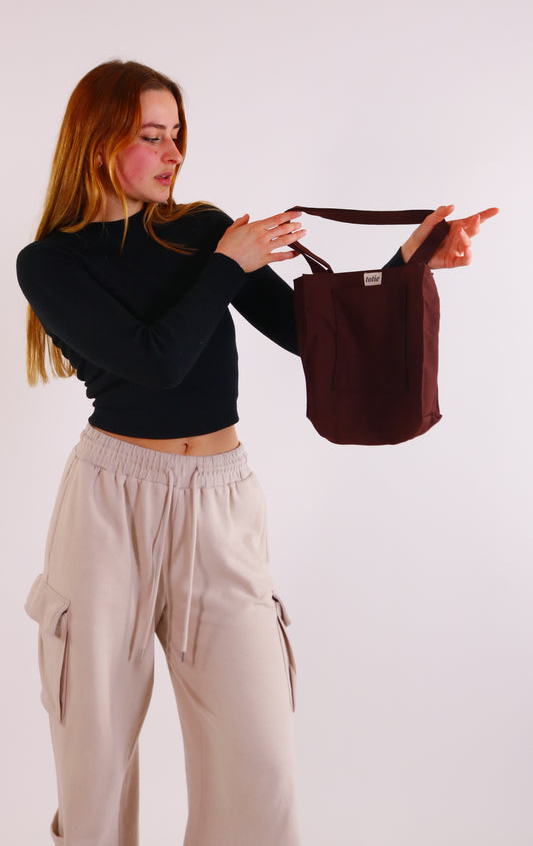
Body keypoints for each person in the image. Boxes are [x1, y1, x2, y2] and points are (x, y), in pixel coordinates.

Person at [16, 59, 497, 846]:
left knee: (259, 762)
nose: (174, 153)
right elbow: (155, 363)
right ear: (96, 141)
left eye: (177, 134)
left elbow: (315, 337)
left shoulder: (203, 230)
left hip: (221, 499)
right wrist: (226, 265)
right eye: (151, 136)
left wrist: (412, 263)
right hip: (110, 506)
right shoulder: (51, 264)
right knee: (93, 760)